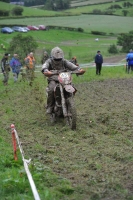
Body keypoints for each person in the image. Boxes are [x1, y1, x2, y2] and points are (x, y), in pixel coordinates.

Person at [41, 46, 85, 114]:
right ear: (52, 56)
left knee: (71, 86)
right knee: (52, 89)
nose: (58, 60)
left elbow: (71, 65)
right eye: (56, 59)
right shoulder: (49, 61)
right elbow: (45, 65)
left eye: (59, 59)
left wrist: (79, 69)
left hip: (64, 79)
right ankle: (50, 106)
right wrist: (46, 70)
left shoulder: (64, 61)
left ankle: (70, 101)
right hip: (53, 79)